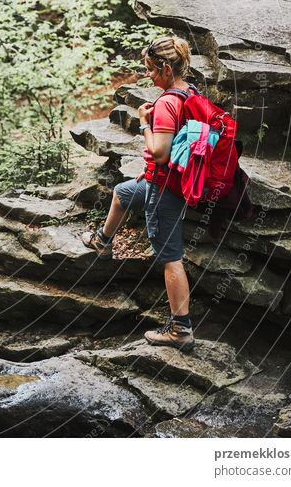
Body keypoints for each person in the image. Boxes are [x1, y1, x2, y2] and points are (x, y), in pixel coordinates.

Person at [81, 34, 195, 351]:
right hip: (168, 181)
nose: (148, 75)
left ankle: (180, 330)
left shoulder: (168, 104)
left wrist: (145, 123)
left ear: (166, 70)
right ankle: (103, 241)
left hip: (164, 187)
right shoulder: (190, 92)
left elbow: (159, 152)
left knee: (170, 258)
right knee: (123, 191)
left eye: (151, 69)